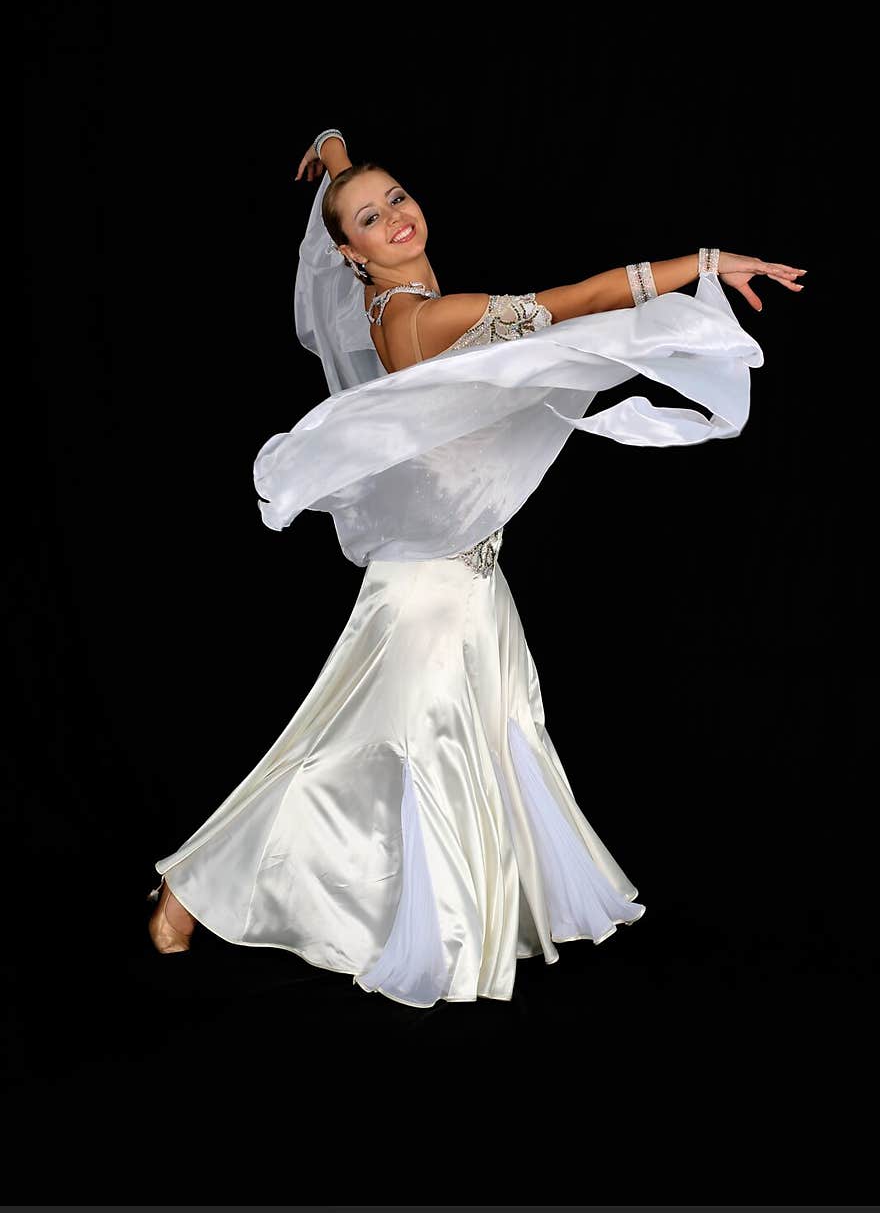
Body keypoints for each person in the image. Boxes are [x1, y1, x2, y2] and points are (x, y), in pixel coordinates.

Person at [148, 128, 805, 1008]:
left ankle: (432, 906)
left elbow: (349, 196)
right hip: (430, 594)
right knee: (359, 752)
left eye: (398, 200)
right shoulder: (426, 318)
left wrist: (336, 153)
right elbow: (580, 299)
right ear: (349, 253)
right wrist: (712, 262)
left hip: (463, 576)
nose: (394, 220)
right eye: (370, 220)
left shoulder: (381, 306)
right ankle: (196, 891)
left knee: (476, 737)